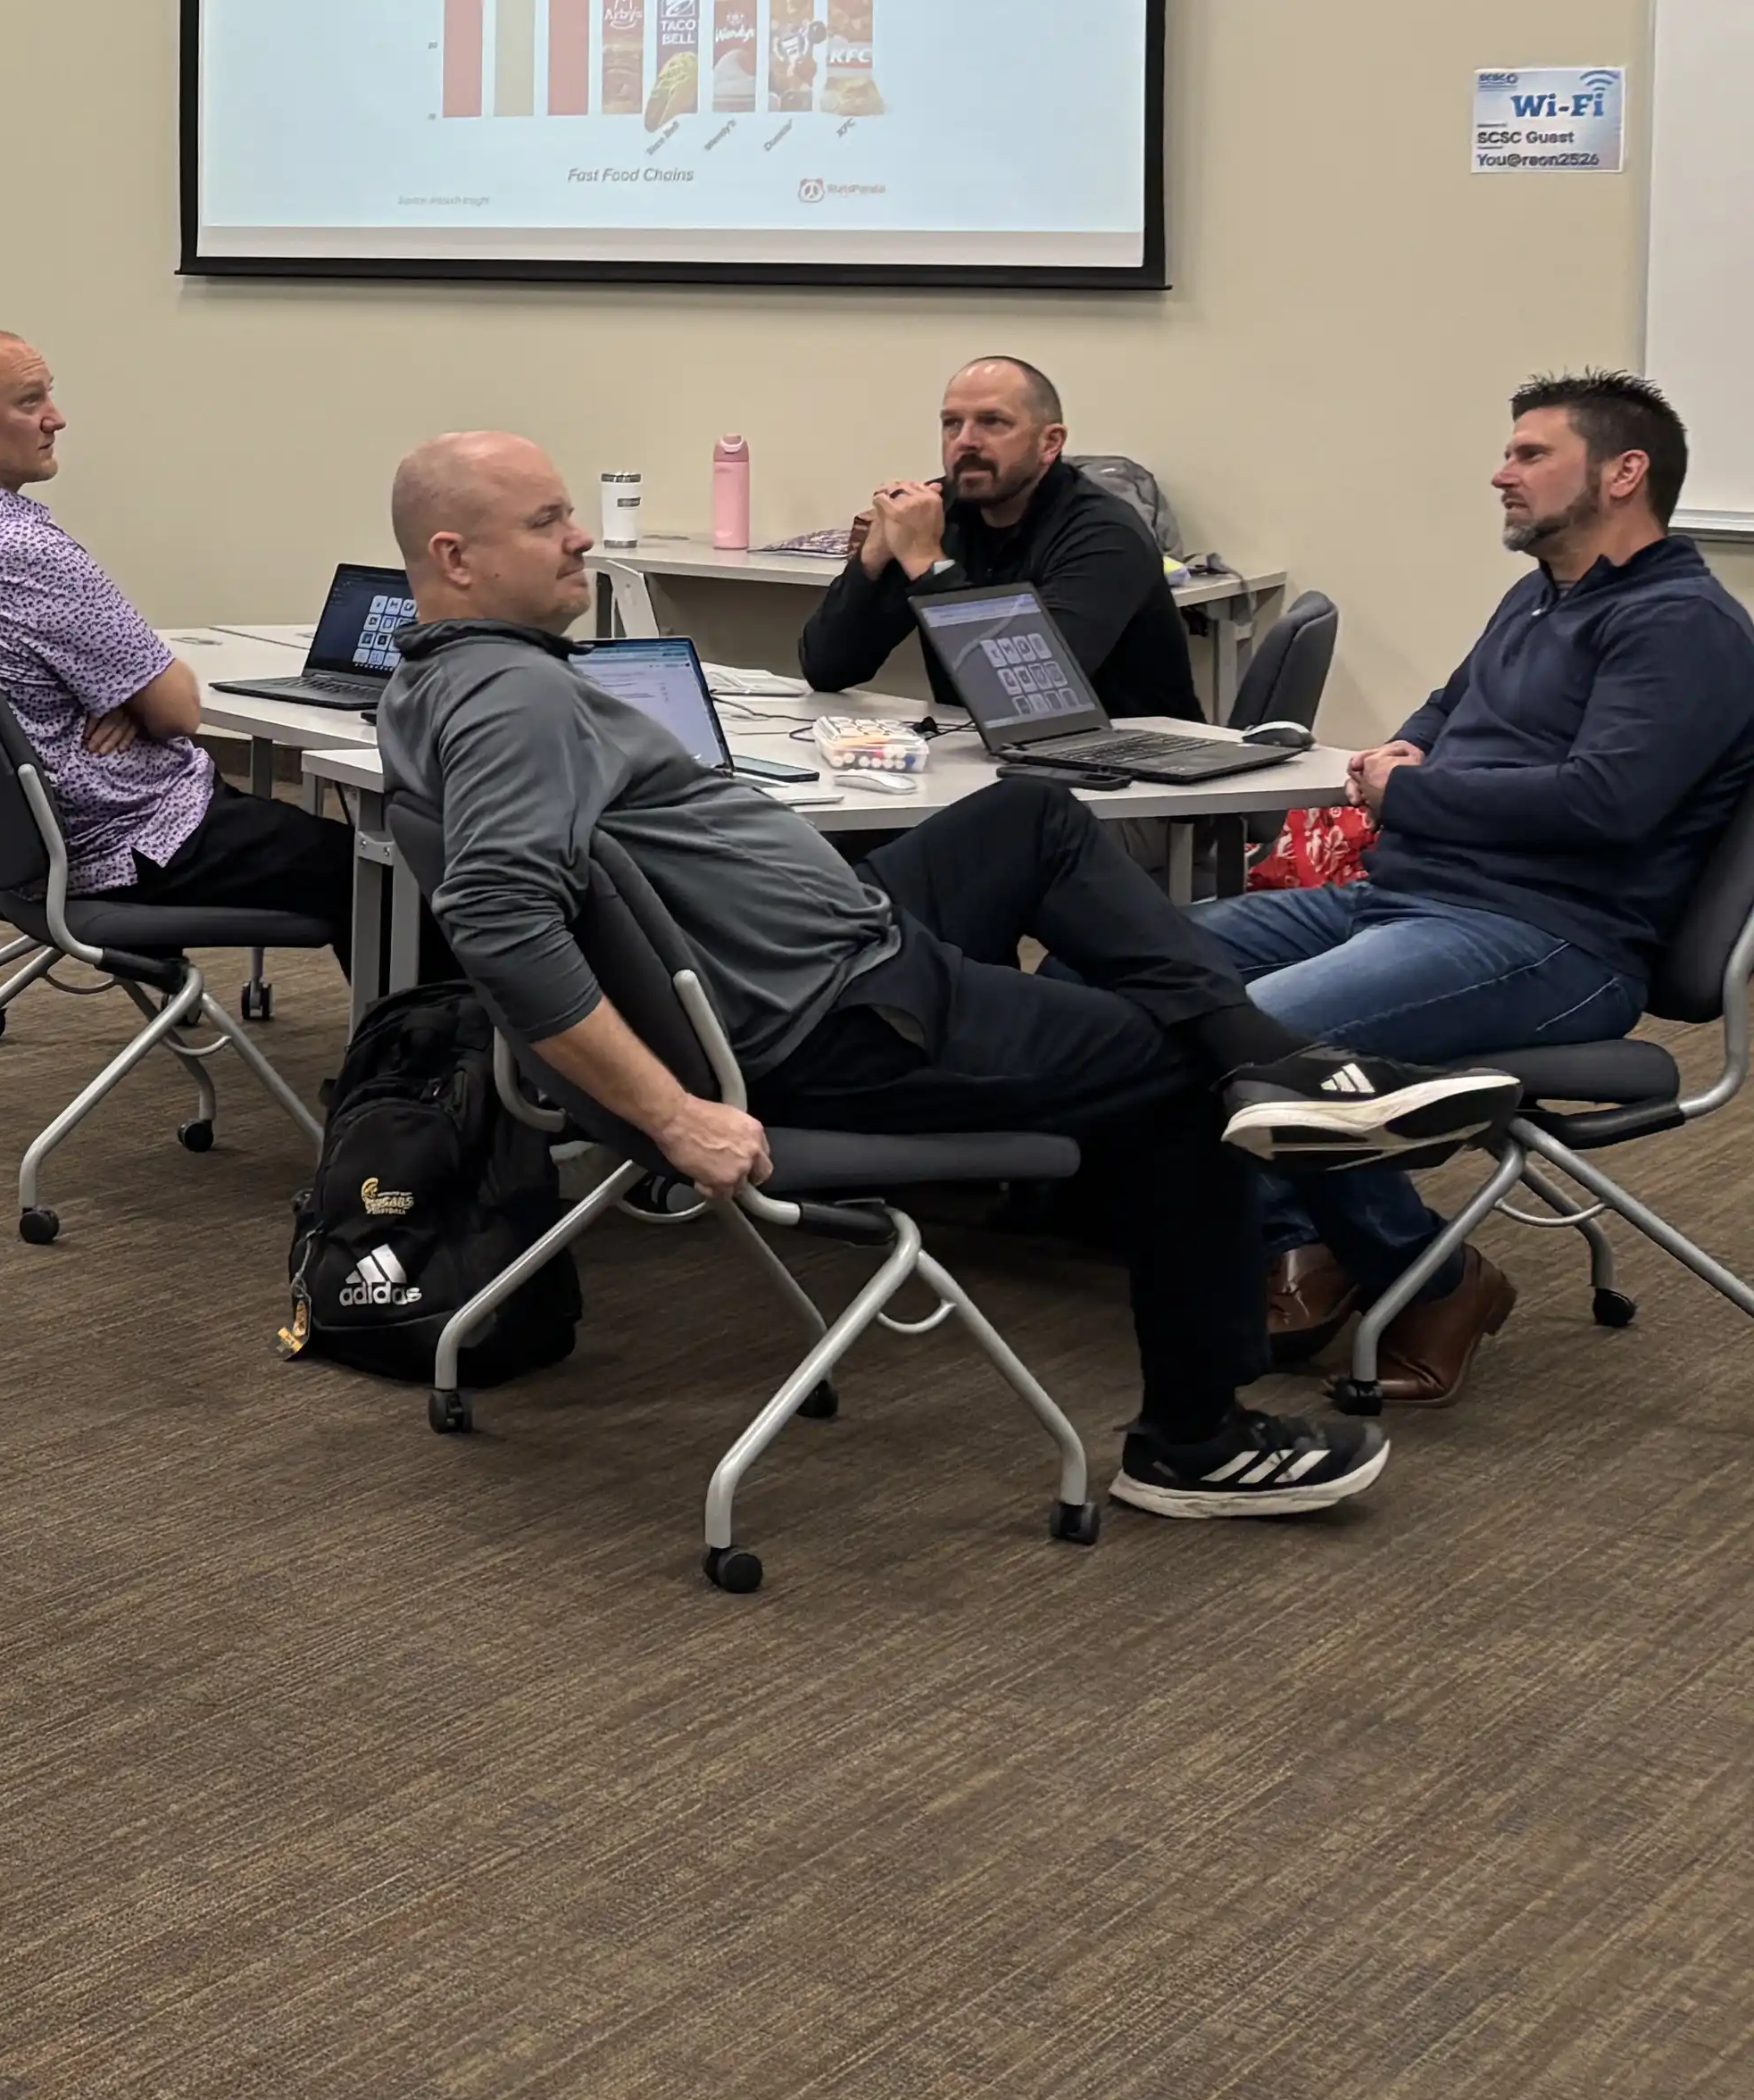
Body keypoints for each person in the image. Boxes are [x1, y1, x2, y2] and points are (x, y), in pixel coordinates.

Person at [377, 429, 1523, 1522]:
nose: (582, 536)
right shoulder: (513, 697)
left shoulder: (443, 680)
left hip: (824, 954)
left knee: (1028, 816)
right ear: (454, 558)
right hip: (831, 1018)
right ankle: (1196, 1436)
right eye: (547, 521)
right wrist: (676, 1118)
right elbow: (500, 918)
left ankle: (1273, 1063)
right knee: (1180, 1076)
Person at [1210, 372, 1754, 1402]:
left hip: (1552, 939)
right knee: (1148, 962)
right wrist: (1405, 748)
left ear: (1624, 473)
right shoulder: (1543, 591)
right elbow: (1446, 706)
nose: (1501, 474)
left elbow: (1606, 804)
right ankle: (1308, 1237)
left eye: (1532, 454)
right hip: (1412, 901)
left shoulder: (1682, 627)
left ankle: (1437, 1278)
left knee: (1257, 1033)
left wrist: (1411, 795)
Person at [0, 327, 350, 926]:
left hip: (32, 841)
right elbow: (178, 711)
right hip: (135, 837)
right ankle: (422, 1022)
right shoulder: (24, 549)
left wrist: (114, 695)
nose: (56, 419)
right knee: (378, 872)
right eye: (30, 402)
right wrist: (131, 696)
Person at [797, 354, 1199, 719]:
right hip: (986, 757)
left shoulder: (1105, 535)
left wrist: (928, 563)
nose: (966, 440)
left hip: (1137, 769)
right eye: (952, 423)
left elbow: (1028, 695)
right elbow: (827, 668)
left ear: (1050, 443)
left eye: (993, 422)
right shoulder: (938, 514)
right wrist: (872, 560)